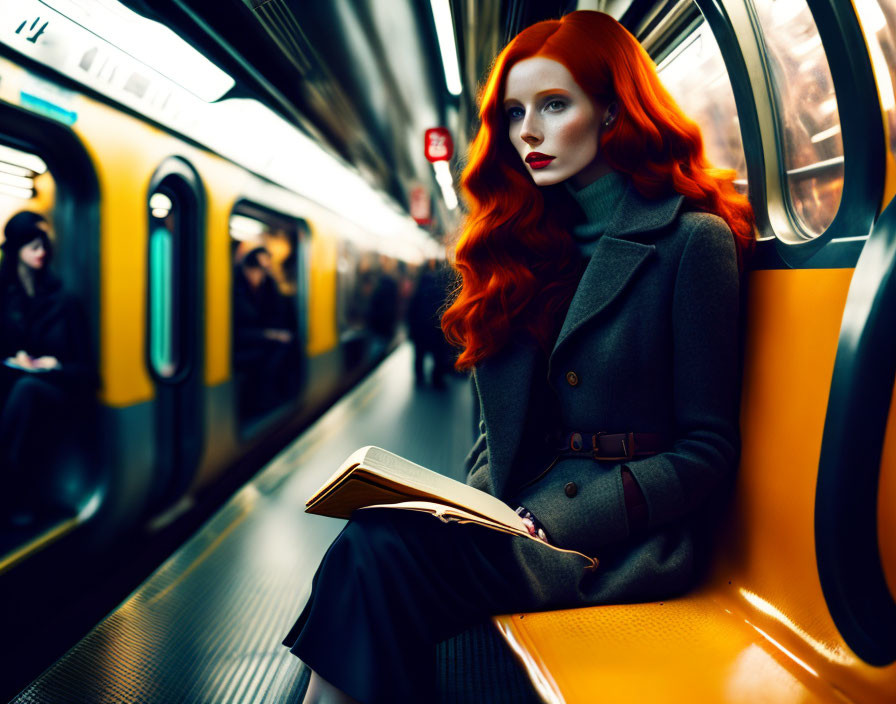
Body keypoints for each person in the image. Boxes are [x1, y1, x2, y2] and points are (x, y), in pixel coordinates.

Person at [282, 11, 753, 703]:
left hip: (618, 543)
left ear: (614, 110)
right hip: (513, 520)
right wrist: (471, 504)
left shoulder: (692, 242)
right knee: (372, 545)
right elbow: (494, 431)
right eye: (514, 112)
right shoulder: (520, 251)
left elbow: (708, 448)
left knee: (373, 554)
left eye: (554, 104)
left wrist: (559, 521)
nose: (527, 130)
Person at [0, 211, 94, 522]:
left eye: (44, 247)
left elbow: (88, 371)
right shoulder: (5, 300)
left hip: (58, 392)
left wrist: (54, 365)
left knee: (27, 390)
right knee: (20, 388)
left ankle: (11, 490)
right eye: (32, 246)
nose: (41, 253)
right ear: (15, 250)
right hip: (13, 388)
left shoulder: (65, 302)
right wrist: (14, 360)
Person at [232, 242, 301, 420]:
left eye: (264, 270)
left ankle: (275, 398)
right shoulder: (234, 287)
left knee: (287, 347)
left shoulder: (268, 286)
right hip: (241, 344)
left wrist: (276, 333)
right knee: (270, 354)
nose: (259, 275)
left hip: (262, 340)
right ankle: (261, 402)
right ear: (247, 268)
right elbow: (236, 330)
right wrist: (268, 335)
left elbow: (277, 313)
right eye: (256, 269)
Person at [407, 258, 452, 387]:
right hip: (435, 329)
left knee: (419, 354)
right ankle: (436, 379)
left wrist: (411, 329)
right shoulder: (441, 288)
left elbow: (412, 310)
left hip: (420, 328)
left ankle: (419, 377)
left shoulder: (419, 288)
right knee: (438, 354)